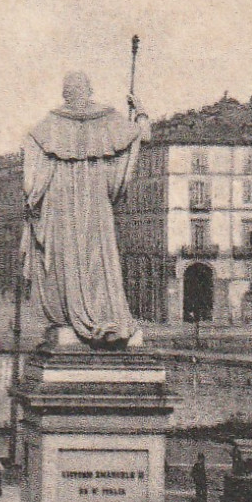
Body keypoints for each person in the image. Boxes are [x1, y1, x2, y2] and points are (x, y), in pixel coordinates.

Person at [22, 72, 151, 346]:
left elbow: (32, 174)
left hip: (63, 201)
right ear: (89, 91)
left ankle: (75, 317)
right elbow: (142, 135)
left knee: (67, 258)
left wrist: (33, 201)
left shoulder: (50, 125)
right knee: (98, 255)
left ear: (66, 93)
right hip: (95, 198)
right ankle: (107, 317)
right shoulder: (107, 119)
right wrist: (139, 111)